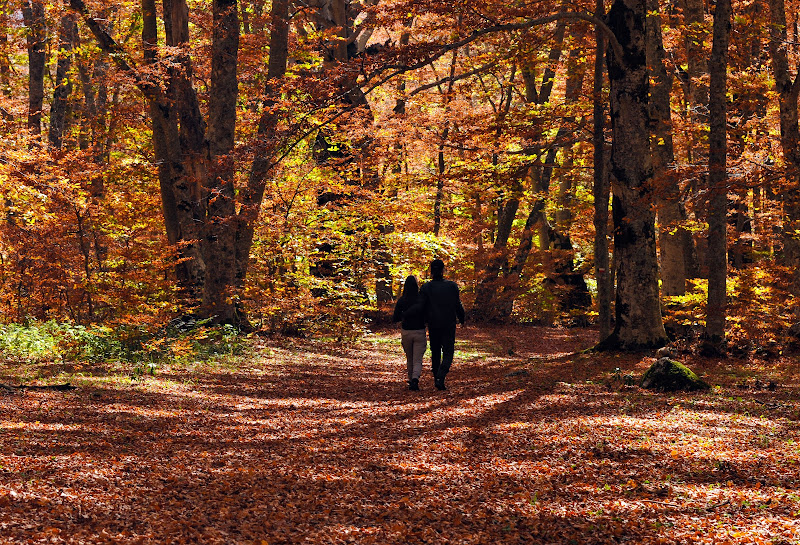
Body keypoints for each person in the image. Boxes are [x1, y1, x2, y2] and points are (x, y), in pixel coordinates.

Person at [418, 259, 465, 390]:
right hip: (448, 324)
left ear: (431, 271)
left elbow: (421, 306)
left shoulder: (426, 287)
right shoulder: (452, 286)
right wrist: (462, 318)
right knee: (448, 352)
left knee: (436, 351)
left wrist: (421, 321)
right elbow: (457, 304)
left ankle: (437, 377)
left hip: (433, 324)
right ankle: (441, 375)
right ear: (443, 270)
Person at [392, 275, 426, 391]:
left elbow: (395, 317)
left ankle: (411, 380)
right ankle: (415, 379)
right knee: (417, 359)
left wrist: (403, 316)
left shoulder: (402, 300)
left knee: (409, 358)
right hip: (419, 331)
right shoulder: (421, 299)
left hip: (406, 331)